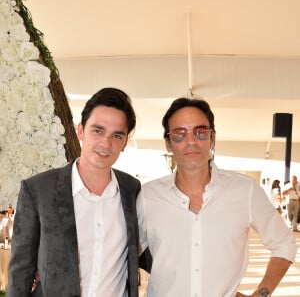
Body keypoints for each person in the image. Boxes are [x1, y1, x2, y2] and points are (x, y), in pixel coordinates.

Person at [137, 97, 297, 297]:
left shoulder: (245, 190)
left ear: (212, 139)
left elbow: (284, 243)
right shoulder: (148, 195)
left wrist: (261, 294)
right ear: (168, 144)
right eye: (179, 134)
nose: (191, 141)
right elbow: (124, 254)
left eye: (200, 132)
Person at [8, 87, 141, 297]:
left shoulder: (133, 190)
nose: (106, 143)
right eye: (98, 130)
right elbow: (20, 271)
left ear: (124, 142)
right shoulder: (38, 190)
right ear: (81, 130)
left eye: (117, 135)